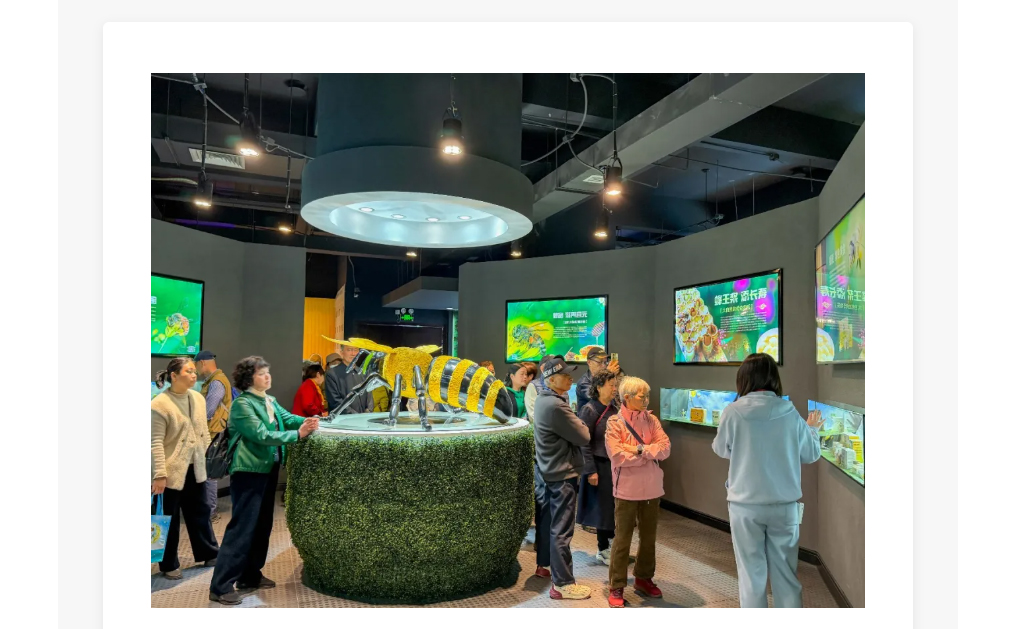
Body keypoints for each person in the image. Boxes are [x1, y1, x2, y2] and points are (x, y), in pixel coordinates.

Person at [711, 353, 824, 608]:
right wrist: (812, 429)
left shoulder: (732, 412)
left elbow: (720, 449)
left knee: (751, 576)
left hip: (744, 506)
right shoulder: (789, 412)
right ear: (774, 378)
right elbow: (810, 454)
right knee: (786, 576)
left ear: (743, 379)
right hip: (784, 506)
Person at [209, 357, 320, 605]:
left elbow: (287, 418)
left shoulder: (269, 400)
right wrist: (297, 434)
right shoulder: (243, 404)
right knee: (242, 528)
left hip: (267, 469)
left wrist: (310, 421)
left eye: (267, 372)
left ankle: (250, 575)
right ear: (248, 378)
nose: (267, 376)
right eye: (261, 373)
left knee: (261, 526)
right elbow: (260, 434)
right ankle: (220, 586)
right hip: (249, 472)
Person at [604, 375, 671, 608]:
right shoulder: (615, 423)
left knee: (649, 538)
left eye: (647, 396)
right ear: (627, 397)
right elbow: (617, 456)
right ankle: (617, 585)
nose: (646, 400)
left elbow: (665, 449)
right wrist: (647, 453)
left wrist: (638, 450)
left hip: (652, 489)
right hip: (626, 490)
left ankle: (643, 578)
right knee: (622, 539)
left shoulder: (651, 420)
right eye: (643, 397)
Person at [151, 357, 219, 579]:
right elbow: (155, 443)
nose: (193, 374)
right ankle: (168, 564)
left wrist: (208, 460)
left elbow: (204, 432)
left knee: (201, 512)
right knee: (168, 519)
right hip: (170, 472)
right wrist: (159, 475)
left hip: (195, 466)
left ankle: (209, 552)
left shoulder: (197, 398)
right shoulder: (159, 405)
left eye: (194, 371)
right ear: (173, 375)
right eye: (188, 371)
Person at [533, 356, 592, 600]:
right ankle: (563, 583)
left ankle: (556, 575)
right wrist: (579, 422)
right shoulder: (557, 406)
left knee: (554, 526)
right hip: (562, 474)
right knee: (562, 530)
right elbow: (584, 435)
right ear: (551, 379)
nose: (570, 378)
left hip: (550, 471)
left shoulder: (543, 400)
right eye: (565, 375)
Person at [577, 369, 620, 566]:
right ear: (599, 387)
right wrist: (590, 470)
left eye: (615, 385)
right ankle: (603, 549)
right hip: (599, 465)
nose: (615, 388)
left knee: (611, 507)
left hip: (614, 464)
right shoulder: (590, 409)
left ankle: (612, 546)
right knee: (602, 508)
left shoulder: (614, 408)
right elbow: (583, 442)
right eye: (611, 385)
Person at [195, 350, 233, 523]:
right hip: (213, 433)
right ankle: (209, 510)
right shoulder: (216, 380)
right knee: (207, 473)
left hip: (212, 434)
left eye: (196, 366)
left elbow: (208, 411)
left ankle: (210, 512)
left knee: (209, 474)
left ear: (202, 363)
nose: (195, 371)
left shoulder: (216, 382)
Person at [324, 344, 371, 414]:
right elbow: (335, 401)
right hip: (343, 419)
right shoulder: (332, 374)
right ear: (341, 352)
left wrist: (368, 412)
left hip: (363, 419)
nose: (353, 353)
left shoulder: (363, 373)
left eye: (356, 350)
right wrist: (356, 416)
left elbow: (369, 397)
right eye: (349, 350)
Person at [575, 347, 621, 414]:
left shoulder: (606, 378)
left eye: (605, 362)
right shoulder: (583, 382)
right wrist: (607, 374)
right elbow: (599, 398)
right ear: (589, 362)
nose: (603, 366)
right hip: (590, 419)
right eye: (600, 362)